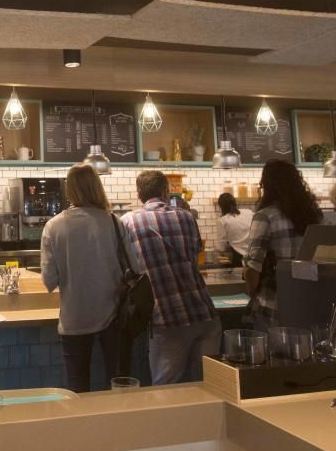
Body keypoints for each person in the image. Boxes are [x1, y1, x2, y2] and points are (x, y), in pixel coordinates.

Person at [41, 164, 135, 392]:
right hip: (113, 316)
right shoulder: (114, 222)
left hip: (74, 317)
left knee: (78, 388)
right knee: (117, 385)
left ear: (69, 190)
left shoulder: (54, 226)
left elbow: (49, 281)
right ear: (97, 187)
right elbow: (135, 266)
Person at [121, 171, 220, 385]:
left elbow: (127, 270)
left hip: (166, 318)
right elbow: (195, 256)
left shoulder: (128, 222)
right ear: (166, 192)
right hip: (203, 313)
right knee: (210, 386)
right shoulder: (186, 216)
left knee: (166, 391)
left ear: (139, 194)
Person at [244, 160, 323, 331]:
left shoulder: (265, 216)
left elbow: (253, 268)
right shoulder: (313, 216)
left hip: (273, 306)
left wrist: (253, 293)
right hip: (308, 303)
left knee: (272, 356)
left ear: (267, 185)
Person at [214, 193, 253, 266]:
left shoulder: (222, 220)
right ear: (235, 202)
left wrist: (217, 250)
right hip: (254, 255)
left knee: (239, 276)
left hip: (239, 257)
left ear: (221, 206)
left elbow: (221, 246)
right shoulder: (248, 212)